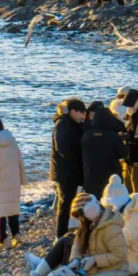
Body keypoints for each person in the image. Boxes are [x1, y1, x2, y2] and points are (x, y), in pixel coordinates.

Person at [19, 192, 128, 276]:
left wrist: (94, 260)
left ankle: (42, 270)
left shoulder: (111, 229)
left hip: (105, 272)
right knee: (68, 238)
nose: (78, 220)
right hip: (88, 265)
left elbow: (119, 255)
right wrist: (76, 259)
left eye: (79, 216)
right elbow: (77, 244)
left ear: (90, 211)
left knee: (66, 245)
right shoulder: (89, 224)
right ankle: (40, 272)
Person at [0, 115, 26, 248]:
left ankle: (3, 239)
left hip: (0, 183)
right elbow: (20, 161)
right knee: (13, 208)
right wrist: (23, 179)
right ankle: (16, 234)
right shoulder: (12, 141)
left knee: (0, 211)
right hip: (13, 180)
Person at [102, 175, 138, 276]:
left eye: (110, 207)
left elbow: (124, 240)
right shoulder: (121, 214)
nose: (109, 210)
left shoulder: (136, 218)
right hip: (129, 254)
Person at [50, 98, 86, 237]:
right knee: (65, 202)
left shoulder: (70, 123)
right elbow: (63, 148)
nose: (83, 116)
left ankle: (68, 231)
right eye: (81, 112)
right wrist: (77, 161)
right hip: (65, 171)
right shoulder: (63, 124)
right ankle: (60, 234)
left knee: (69, 201)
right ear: (72, 112)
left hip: (68, 170)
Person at [81, 100, 128, 200]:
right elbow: (124, 153)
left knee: (94, 203)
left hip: (91, 176)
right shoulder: (112, 136)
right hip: (111, 176)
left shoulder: (86, 136)